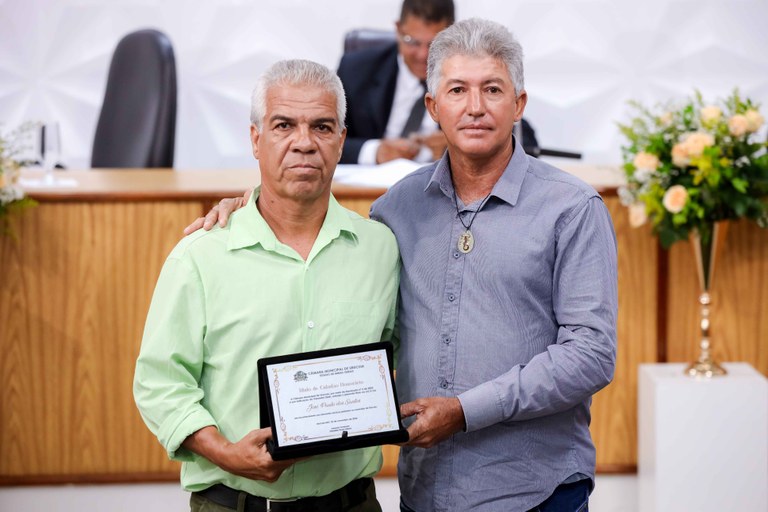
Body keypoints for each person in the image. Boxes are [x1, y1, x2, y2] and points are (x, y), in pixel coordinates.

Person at [187, 18, 617, 512]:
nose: (475, 107)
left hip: (536, 493)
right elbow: (363, 320)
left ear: (519, 104)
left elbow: (591, 355)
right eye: (457, 90)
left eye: (492, 89)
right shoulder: (396, 210)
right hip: (425, 493)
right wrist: (251, 207)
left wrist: (465, 411)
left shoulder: (573, 209)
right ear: (433, 107)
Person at [134, 59, 400, 512]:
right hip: (234, 503)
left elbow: (400, 360)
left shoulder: (380, 249)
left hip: (352, 502)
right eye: (284, 125)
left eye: (322, 127)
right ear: (256, 140)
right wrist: (224, 452)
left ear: (341, 141)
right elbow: (160, 383)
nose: (304, 142)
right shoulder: (201, 255)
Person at [338, 0, 539, 165]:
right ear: (398, 29)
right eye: (412, 42)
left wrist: (462, 144)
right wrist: (374, 151)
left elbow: (526, 141)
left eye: (433, 44)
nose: (422, 55)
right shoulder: (357, 69)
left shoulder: (469, 71)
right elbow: (328, 136)